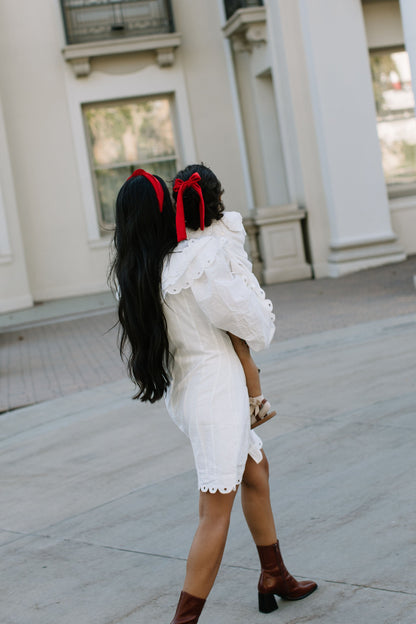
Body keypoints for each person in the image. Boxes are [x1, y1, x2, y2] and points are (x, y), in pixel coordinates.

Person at [109, 165, 317, 624]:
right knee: (214, 511)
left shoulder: (140, 271)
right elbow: (254, 327)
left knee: (256, 472)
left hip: (192, 389)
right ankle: (184, 621)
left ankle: (274, 575)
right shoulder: (194, 258)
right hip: (217, 389)